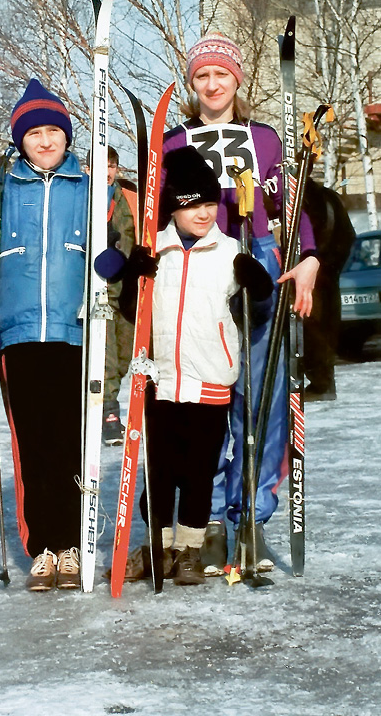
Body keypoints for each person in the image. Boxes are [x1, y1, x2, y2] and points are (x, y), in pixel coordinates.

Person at [160, 33, 320, 576]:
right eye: (202, 75)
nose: (211, 84)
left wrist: (311, 257)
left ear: (237, 80)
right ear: (192, 83)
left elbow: (289, 203)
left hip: (258, 263)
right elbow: (159, 216)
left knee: (261, 400)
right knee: (204, 404)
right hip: (199, 269)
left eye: (221, 74)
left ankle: (249, 517)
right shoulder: (175, 141)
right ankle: (200, 526)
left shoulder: (264, 138)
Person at [111, 146, 273, 585]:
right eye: (191, 206)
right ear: (173, 210)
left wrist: (258, 285)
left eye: (208, 204)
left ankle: (188, 550)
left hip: (209, 377)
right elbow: (132, 312)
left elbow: (256, 310)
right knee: (159, 473)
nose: (203, 214)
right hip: (160, 379)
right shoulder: (154, 250)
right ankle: (157, 549)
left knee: (199, 473)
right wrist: (133, 276)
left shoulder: (228, 251)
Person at [0, 77, 88, 592]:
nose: (46, 141)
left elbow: (110, 255)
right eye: (34, 133)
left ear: (67, 136)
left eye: (54, 131)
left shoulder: (92, 190)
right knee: (33, 442)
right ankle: (43, 547)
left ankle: (71, 542)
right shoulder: (1, 190)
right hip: (20, 334)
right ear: (19, 139)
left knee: (69, 439)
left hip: (74, 334)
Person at [302, 179, 355, 400]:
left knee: (312, 326)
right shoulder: (327, 196)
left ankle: (321, 383)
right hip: (325, 270)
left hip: (314, 272)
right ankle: (322, 381)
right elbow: (348, 236)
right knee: (321, 325)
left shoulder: (305, 195)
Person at [101, 147, 138, 445]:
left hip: (127, 291)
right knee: (107, 358)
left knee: (124, 356)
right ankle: (108, 415)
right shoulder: (84, 198)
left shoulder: (130, 198)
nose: (108, 171)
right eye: (103, 165)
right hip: (99, 291)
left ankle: (107, 407)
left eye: (112, 165)